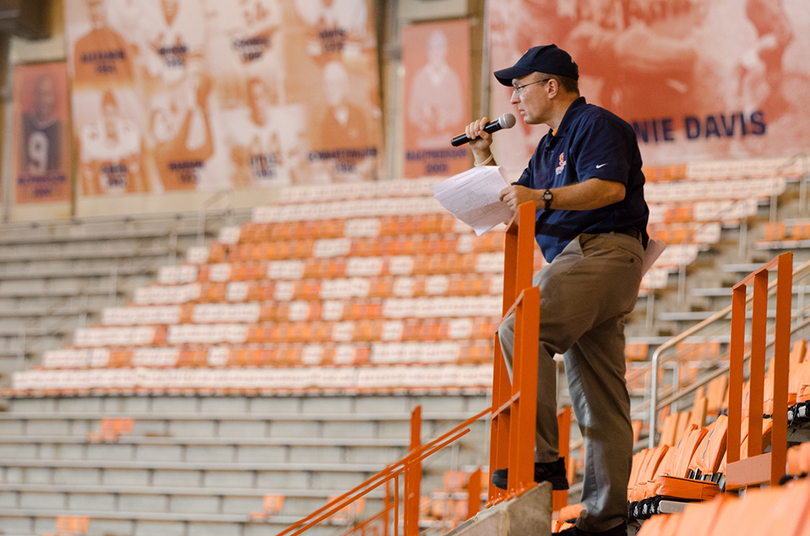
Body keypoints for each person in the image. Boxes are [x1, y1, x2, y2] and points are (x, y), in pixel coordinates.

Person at [463, 44, 649, 536]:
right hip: (583, 261)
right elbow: (511, 205)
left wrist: (540, 196)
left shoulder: (596, 125)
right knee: (601, 397)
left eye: (520, 87)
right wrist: (485, 154)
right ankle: (605, 522)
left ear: (552, 86)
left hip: (601, 251)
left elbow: (608, 189)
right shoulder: (548, 146)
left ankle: (539, 458)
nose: (514, 98)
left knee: (518, 330)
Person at [22, 74, 61, 175]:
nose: (43, 100)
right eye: (40, 94)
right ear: (34, 96)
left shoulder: (60, 130)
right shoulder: (24, 122)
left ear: (53, 97)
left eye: (47, 94)